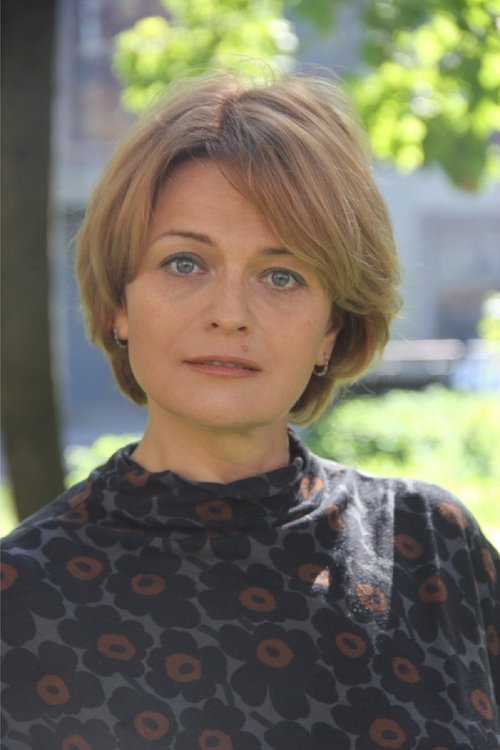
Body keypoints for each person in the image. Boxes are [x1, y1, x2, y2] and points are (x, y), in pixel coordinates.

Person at [1, 71, 498, 750]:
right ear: (119, 304)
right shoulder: (18, 599)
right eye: (185, 263)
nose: (230, 313)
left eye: (281, 276)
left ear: (332, 328)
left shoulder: (435, 550)